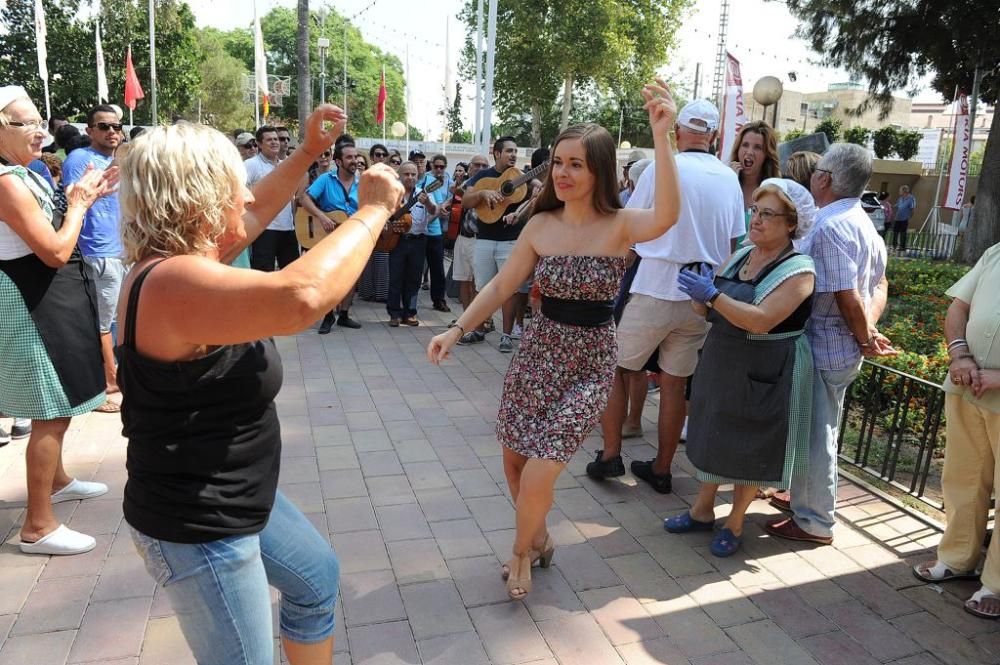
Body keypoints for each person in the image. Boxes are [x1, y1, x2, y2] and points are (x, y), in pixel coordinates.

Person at [116, 106, 404, 664]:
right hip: (198, 524)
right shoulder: (173, 280)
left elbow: (259, 210)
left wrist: (304, 152)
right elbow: (302, 298)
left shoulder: (178, 262)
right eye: (233, 186)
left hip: (236, 498)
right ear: (197, 197)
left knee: (315, 579)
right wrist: (371, 211)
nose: (247, 197)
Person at [428, 78, 682, 600]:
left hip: (590, 362)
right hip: (537, 354)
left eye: (577, 165)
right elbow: (501, 285)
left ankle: (519, 553)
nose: (564, 173)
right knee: (515, 462)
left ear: (599, 171)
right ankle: (539, 539)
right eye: (559, 163)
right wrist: (457, 328)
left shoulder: (622, 225)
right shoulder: (540, 224)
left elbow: (668, 216)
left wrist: (664, 136)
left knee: (542, 469)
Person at [587, 99, 745, 493]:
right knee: (674, 383)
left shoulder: (662, 167)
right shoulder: (728, 178)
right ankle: (661, 468)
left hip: (656, 283)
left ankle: (609, 455)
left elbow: (632, 231)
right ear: (712, 135)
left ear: (677, 132)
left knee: (616, 368)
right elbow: (735, 242)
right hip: (702, 293)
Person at [665, 179, 816, 557]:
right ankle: (701, 510)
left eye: (768, 214)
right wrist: (699, 292)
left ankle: (734, 523)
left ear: (791, 224)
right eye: (756, 211)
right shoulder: (742, 255)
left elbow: (762, 320)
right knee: (714, 432)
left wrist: (712, 295)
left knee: (751, 445)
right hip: (723, 360)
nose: (757, 220)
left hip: (765, 366)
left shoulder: (799, 270)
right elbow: (708, 311)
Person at [0, 86, 118, 555]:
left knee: (64, 399)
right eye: (24, 123)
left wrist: (81, 193)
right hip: (30, 299)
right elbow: (53, 251)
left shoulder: (23, 171)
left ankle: (58, 480)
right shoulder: (6, 181)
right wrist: (80, 204)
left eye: (39, 121)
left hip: (50, 295)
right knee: (48, 408)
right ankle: (38, 526)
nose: (39, 132)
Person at [766, 143, 897, 545]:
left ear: (824, 179)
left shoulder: (830, 225)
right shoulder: (861, 222)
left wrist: (864, 335)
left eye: (817, 170)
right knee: (816, 429)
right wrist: (868, 334)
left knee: (817, 435)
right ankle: (802, 501)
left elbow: (847, 295)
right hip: (840, 346)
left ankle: (815, 521)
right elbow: (878, 286)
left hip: (826, 346)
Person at [913, 244, 1000, 619]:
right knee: (962, 478)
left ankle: (996, 583)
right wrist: (960, 354)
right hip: (967, 386)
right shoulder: (996, 252)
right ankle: (957, 557)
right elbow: (958, 307)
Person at [62, 104, 128, 414]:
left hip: (119, 252)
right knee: (101, 324)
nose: (112, 131)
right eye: (104, 126)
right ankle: (106, 385)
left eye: (116, 126)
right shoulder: (80, 159)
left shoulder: (116, 161)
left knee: (113, 321)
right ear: (90, 131)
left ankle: (112, 379)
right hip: (96, 253)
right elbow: (73, 197)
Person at [462, 136, 528, 353]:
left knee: (509, 290)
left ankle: (506, 335)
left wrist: (539, 181)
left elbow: (537, 187)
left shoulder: (520, 176)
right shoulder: (483, 175)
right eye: (509, 151)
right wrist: (482, 193)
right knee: (482, 288)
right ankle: (478, 330)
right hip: (484, 239)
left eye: (515, 151)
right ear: (497, 153)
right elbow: (465, 202)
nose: (513, 155)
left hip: (510, 241)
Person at [300, 135, 363, 332]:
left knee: (351, 276)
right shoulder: (326, 179)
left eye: (356, 157)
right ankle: (328, 315)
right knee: (327, 277)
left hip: (352, 235)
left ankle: (343, 314)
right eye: (350, 157)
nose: (355, 161)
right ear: (338, 161)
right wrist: (321, 216)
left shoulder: (363, 182)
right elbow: (305, 199)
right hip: (326, 235)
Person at [387, 161, 437, 326]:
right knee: (396, 278)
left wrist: (427, 203)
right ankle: (394, 313)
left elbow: (434, 211)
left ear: (418, 176)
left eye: (413, 174)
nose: (410, 177)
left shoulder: (425, 194)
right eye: (406, 174)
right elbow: (383, 216)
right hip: (397, 241)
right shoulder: (392, 195)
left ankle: (410, 313)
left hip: (418, 241)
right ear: (399, 176)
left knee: (414, 279)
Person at [246, 126, 298, 271]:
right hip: (264, 229)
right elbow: (239, 190)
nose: (274, 142)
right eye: (269, 140)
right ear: (259, 144)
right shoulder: (251, 165)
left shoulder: (285, 166)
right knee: (263, 274)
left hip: (288, 228)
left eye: (276, 139)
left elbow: (291, 197)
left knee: (292, 273)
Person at [452, 155, 490, 341]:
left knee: (478, 285)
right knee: (463, 280)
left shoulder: (491, 186)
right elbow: (455, 193)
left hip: (480, 239)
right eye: (477, 165)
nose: (481, 168)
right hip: (462, 237)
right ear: (469, 167)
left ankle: (479, 326)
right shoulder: (465, 185)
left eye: (484, 165)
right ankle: (465, 323)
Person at [729, 121, 781, 239]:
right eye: (745, 145)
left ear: (767, 155)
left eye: (757, 147)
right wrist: (730, 183)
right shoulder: (723, 183)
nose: (749, 152)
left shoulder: (774, 192)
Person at [420, 153, 452, 312]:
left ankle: (439, 300)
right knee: (413, 267)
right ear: (430, 165)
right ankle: (408, 302)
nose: (439, 169)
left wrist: (428, 220)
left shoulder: (433, 182)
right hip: (416, 232)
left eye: (442, 166)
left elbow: (439, 206)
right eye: (436, 166)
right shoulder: (413, 179)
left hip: (434, 231)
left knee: (438, 268)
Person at [891, 184, 916, 251]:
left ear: (904, 191)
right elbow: (898, 205)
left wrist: (909, 216)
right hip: (898, 218)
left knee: (903, 233)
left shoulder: (911, 198)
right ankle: (894, 246)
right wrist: (890, 206)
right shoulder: (900, 198)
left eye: (900, 190)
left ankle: (902, 247)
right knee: (895, 232)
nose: (899, 191)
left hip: (904, 219)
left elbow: (912, 208)